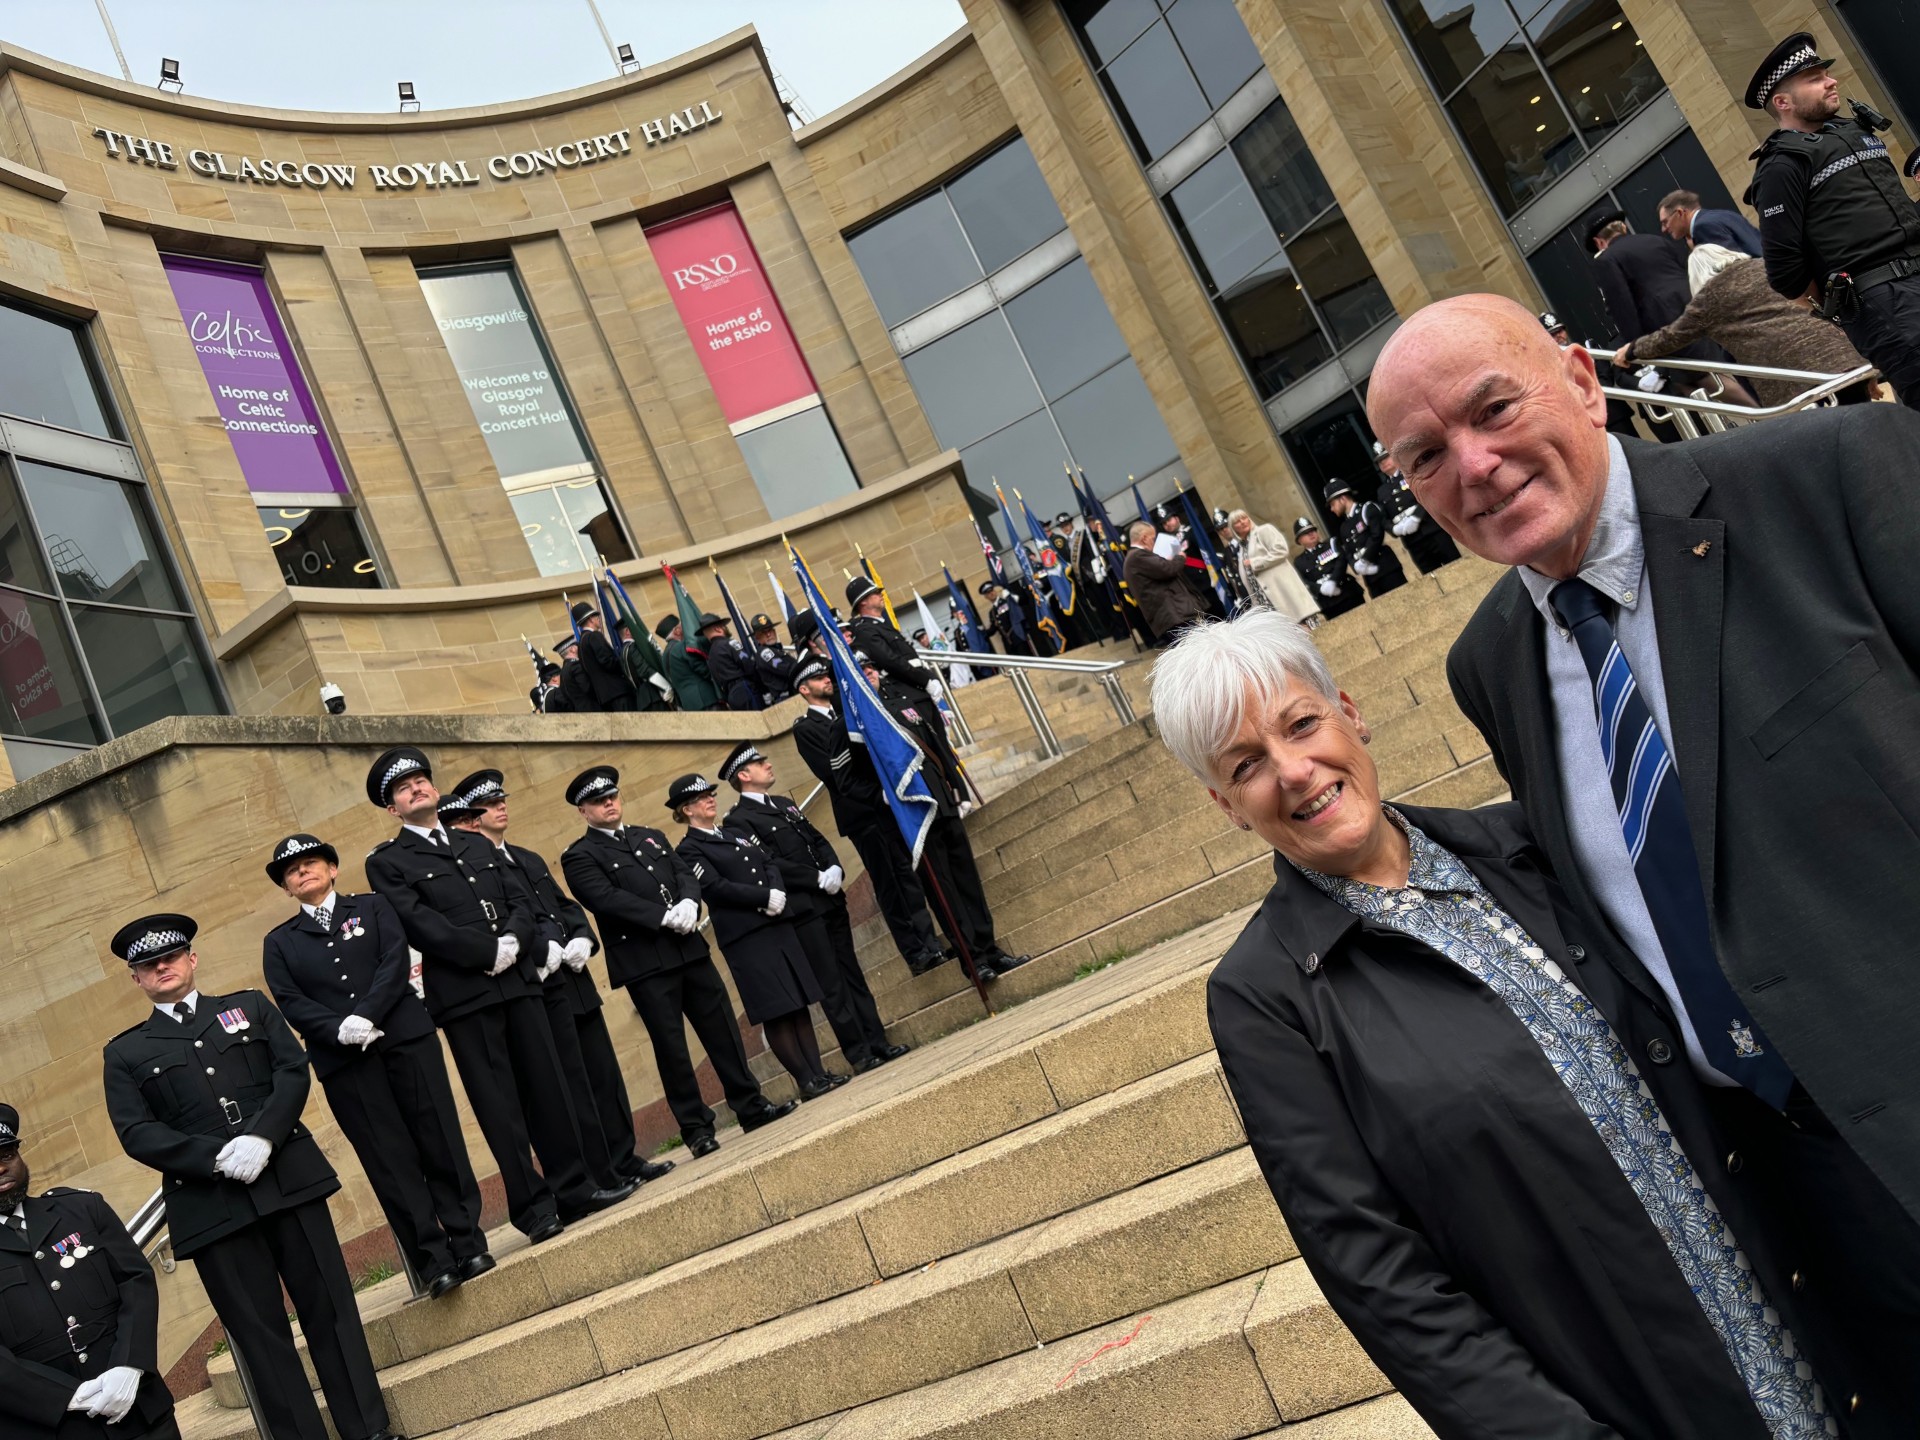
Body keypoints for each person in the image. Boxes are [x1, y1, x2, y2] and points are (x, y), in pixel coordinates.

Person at [1370, 291, 1920, 1424]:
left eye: (1492, 408)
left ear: (1579, 374)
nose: (1473, 465)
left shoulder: (1835, 472)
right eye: (1426, 456)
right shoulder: (1493, 663)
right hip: (1812, 1208)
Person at [1161, 609, 1862, 1439]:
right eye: (1247, 766)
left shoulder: (1530, 843)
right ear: (1227, 805)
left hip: (1816, 1334)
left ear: (1350, 712)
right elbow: (1380, 1276)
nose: (1294, 769)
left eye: (1302, 723)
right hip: (1628, 1398)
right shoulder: (1264, 997)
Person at [100, 917, 395, 1440]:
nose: (162, 967)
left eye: (171, 957)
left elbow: (291, 1069)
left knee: (331, 1312)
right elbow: (136, 1132)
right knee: (261, 1338)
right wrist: (213, 1158)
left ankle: (368, 1430)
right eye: (149, 964)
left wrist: (263, 1137)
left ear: (192, 960)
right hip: (212, 1206)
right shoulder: (125, 1052)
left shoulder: (250, 1006)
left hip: (287, 1178)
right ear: (136, 980)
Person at [363, 747, 632, 1244]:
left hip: (519, 982)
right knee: (500, 1104)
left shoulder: (475, 844)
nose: (418, 788)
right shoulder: (391, 863)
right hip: (467, 995)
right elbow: (421, 924)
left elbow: (519, 901)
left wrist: (514, 940)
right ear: (392, 809)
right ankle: (532, 1208)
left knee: (548, 1087)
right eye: (404, 788)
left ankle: (573, 1189)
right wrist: (488, 951)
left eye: (422, 780)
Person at [260, 833, 488, 1300]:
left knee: (439, 1138)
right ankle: (434, 1261)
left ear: (332, 868)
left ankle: (468, 1242)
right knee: (389, 1160)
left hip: (405, 1037)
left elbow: (394, 960)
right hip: (344, 1061)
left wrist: (367, 1014)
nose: (302, 872)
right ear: (286, 888)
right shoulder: (279, 942)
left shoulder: (373, 907)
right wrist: (337, 1027)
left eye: (311, 863)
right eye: (292, 871)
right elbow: (289, 1000)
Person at [443, 770, 673, 1190]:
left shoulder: (526, 857)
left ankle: (623, 1158)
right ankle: (598, 1172)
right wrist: (537, 950)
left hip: (574, 978)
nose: (500, 808)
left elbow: (565, 908)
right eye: (488, 807)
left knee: (603, 1075)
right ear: (471, 820)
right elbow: (503, 924)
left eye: (501, 801)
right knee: (571, 1088)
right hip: (539, 983)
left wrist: (583, 938)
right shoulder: (477, 866)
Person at [559, 765, 797, 1156]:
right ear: (583, 812)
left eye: (612, 797)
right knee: (672, 1049)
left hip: (688, 949)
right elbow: (604, 898)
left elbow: (684, 873)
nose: (609, 804)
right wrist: (660, 916)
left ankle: (750, 1105)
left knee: (722, 1030)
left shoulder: (648, 836)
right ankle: (696, 1128)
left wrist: (689, 899)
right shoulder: (581, 855)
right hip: (646, 963)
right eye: (598, 802)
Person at [1745, 32, 1920, 408]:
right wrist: (1846, 308)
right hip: (1882, 300)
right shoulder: (1781, 166)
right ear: (1783, 102)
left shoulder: (1853, 131)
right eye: (1815, 79)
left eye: (1826, 73)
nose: (1831, 81)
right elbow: (1786, 274)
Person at [720, 742, 906, 1074]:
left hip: (829, 898)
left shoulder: (784, 803)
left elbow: (817, 838)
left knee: (853, 973)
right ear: (744, 775)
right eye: (760, 763)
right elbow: (768, 861)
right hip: (804, 907)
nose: (769, 765)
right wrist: (815, 877)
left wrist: (834, 867)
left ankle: (878, 1040)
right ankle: (859, 1052)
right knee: (831, 983)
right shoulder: (739, 821)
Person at [0, 1102, 179, 1440]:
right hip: (54, 1427)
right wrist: (66, 1397)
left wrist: (130, 1364)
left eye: (7, 1155)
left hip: (139, 1411)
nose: (0, 1168)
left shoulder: (81, 1209)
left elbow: (135, 1281)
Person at [669, 773, 845, 1100]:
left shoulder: (734, 833)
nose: (710, 799)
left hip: (777, 922)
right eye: (701, 798)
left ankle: (819, 1074)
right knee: (776, 1008)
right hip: (747, 935)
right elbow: (716, 888)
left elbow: (768, 862)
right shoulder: (689, 850)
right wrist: (762, 898)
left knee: (798, 1000)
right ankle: (805, 1079)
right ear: (687, 810)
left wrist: (777, 891)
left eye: (710, 794)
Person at [860, 653, 1031, 983]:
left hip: (942, 798)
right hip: (915, 812)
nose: (869, 675)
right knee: (945, 890)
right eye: (861, 672)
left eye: (870, 668)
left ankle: (990, 947)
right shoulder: (860, 720)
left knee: (967, 878)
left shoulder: (904, 699)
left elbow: (937, 742)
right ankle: (973, 959)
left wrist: (958, 788)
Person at [790, 655, 946, 975]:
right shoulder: (807, 728)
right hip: (861, 814)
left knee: (907, 874)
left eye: (826, 675)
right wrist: (878, 792)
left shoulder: (848, 712)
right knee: (888, 882)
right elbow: (833, 774)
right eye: (818, 679)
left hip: (884, 808)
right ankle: (915, 952)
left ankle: (931, 942)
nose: (826, 681)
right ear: (804, 689)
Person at [1613, 250, 1875, 406]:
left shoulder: (1708, 299)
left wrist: (1633, 350)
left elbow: (1670, 337)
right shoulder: (1764, 266)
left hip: (1797, 381)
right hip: (1839, 356)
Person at [1371, 441, 1460, 574]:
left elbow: (1429, 495)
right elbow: (1383, 518)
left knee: (1457, 568)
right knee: (1431, 577)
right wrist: (1393, 529)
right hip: (1412, 542)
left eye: (1386, 457)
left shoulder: (1412, 474)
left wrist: (1417, 517)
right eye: (1380, 461)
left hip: (1432, 531)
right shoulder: (1382, 491)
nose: (1383, 462)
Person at [846, 575, 938, 699]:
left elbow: (911, 657)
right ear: (863, 601)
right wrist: (925, 681)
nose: (881, 595)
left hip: (918, 685)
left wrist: (930, 678)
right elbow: (891, 661)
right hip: (906, 690)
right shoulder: (865, 630)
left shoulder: (881, 625)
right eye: (875, 593)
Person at [1225, 509, 1317, 623]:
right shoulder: (1242, 548)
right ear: (1233, 528)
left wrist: (1255, 563)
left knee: (1301, 625)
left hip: (1283, 591)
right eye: (1237, 522)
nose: (1243, 522)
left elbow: (1281, 551)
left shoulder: (1264, 531)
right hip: (1263, 599)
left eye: (1244, 518)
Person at [1122, 520, 1203, 644]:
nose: (1154, 543)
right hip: (1174, 615)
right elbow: (1168, 569)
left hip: (1174, 615)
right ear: (1144, 538)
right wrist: (1180, 557)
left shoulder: (1135, 557)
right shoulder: (1137, 557)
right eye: (1153, 539)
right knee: (1196, 650)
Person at [1323, 480, 1406, 600]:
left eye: (1332, 504)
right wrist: (1355, 565)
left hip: (1385, 568)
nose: (1331, 509)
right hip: (1370, 577)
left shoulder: (1366, 509)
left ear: (1342, 498)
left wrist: (1365, 559)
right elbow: (1348, 551)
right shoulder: (1344, 527)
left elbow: (1376, 535)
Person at [1290, 517, 1363, 621]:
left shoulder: (1331, 544)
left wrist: (1333, 581)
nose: (1311, 534)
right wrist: (1320, 589)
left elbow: (1341, 561)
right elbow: (1303, 581)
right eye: (1306, 533)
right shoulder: (1299, 562)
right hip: (1329, 604)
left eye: (1313, 530)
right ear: (1299, 540)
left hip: (1348, 593)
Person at [570, 602, 638, 712]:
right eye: (596, 616)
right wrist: (623, 663)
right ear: (591, 619)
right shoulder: (594, 636)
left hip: (605, 697)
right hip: (618, 692)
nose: (598, 619)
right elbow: (608, 661)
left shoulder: (581, 643)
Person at [1658, 187, 1763, 255]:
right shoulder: (1724, 215)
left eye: (1665, 222)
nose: (1663, 229)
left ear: (1680, 213)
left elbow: (1732, 268)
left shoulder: (1702, 228)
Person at [660, 614, 721, 711]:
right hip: (706, 699)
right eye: (682, 625)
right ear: (677, 631)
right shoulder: (682, 646)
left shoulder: (664, 656)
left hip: (689, 704)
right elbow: (700, 668)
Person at [978, 579, 1032, 657]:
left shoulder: (1007, 601)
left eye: (992, 590)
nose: (991, 593)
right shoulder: (992, 612)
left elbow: (1024, 601)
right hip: (1008, 643)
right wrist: (980, 632)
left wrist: (1013, 598)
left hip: (1018, 636)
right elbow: (993, 629)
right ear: (986, 597)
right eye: (988, 593)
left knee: (1027, 659)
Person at [556, 633, 595, 714]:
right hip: (592, 708)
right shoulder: (575, 666)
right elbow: (587, 688)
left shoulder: (563, 671)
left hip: (579, 711)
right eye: (576, 646)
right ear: (572, 649)